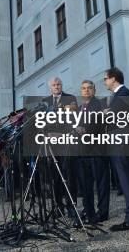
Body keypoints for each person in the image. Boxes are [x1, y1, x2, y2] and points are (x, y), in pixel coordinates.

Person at [103, 67, 129, 231]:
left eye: (106, 78)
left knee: (126, 180)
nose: (105, 82)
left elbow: (114, 115)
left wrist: (105, 112)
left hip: (122, 142)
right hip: (117, 141)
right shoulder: (117, 96)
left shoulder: (125, 93)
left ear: (113, 79)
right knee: (124, 180)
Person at [42, 77, 79, 220]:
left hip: (66, 142)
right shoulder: (45, 102)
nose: (56, 86)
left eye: (59, 84)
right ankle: (58, 207)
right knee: (54, 177)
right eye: (54, 85)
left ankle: (71, 207)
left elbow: (73, 119)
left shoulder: (70, 99)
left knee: (69, 176)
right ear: (50, 87)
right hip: (52, 145)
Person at [75, 80, 109, 224]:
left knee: (101, 184)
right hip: (83, 151)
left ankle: (103, 212)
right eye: (83, 88)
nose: (86, 91)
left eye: (89, 88)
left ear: (94, 90)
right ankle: (89, 212)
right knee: (86, 185)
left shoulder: (100, 104)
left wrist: (84, 130)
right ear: (81, 91)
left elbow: (99, 122)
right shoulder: (78, 109)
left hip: (97, 150)